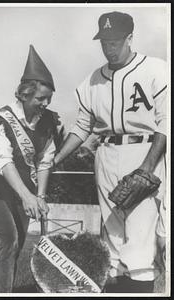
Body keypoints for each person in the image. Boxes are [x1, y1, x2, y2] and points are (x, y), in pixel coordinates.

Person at [54, 11, 167, 293]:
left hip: (144, 150)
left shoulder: (156, 69)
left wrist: (147, 167)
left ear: (130, 38)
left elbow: (166, 122)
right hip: (105, 155)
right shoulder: (93, 80)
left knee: (140, 242)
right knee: (112, 243)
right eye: (104, 42)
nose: (109, 48)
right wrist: (56, 159)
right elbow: (82, 127)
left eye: (115, 41)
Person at [0, 45, 64, 293]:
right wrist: (27, 196)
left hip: (23, 188)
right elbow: (4, 162)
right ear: (25, 94)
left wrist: (40, 197)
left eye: (49, 98)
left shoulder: (47, 122)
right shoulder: (0, 120)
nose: (45, 103)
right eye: (40, 98)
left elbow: (45, 161)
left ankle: (4, 289)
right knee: (9, 240)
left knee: (19, 242)